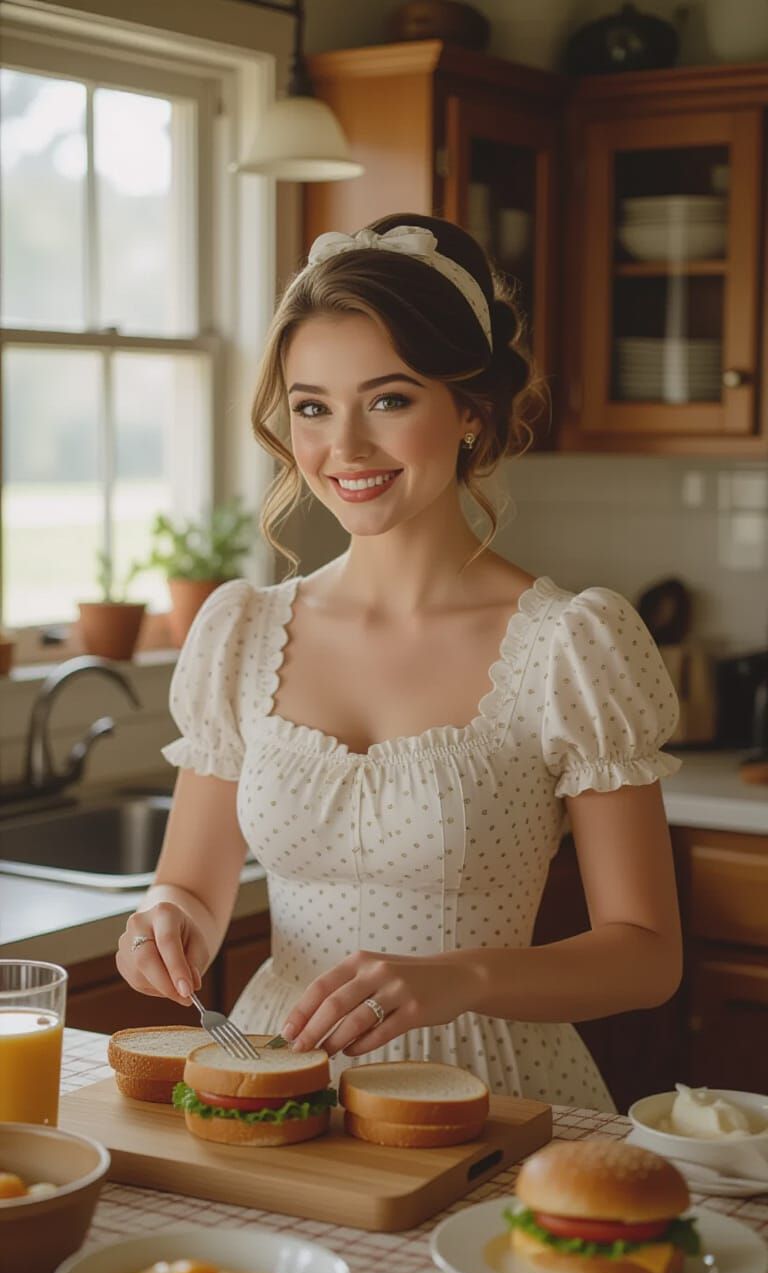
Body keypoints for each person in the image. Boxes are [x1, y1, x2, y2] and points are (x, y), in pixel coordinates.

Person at [116, 212, 683, 1109]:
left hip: (485, 1089)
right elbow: (190, 884)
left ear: (469, 413)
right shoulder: (242, 632)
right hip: (276, 1081)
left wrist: (461, 978)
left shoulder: (570, 643)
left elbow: (647, 953)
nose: (343, 450)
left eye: (388, 400)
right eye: (312, 408)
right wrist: (165, 922)